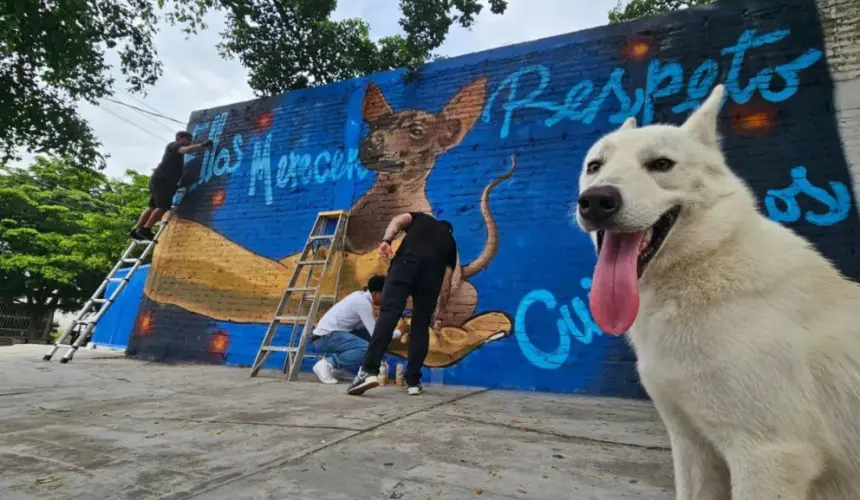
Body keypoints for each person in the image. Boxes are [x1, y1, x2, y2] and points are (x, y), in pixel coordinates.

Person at [347, 212, 456, 396]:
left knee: (389, 314)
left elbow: (398, 220)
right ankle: (413, 381)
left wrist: (387, 240)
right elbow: (447, 283)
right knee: (421, 326)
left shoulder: (422, 218)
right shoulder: (451, 243)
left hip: (407, 263)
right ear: (449, 230)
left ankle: (369, 371)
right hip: (432, 278)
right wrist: (440, 315)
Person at [311, 275, 403, 384]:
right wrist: (400, 332)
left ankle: (336, 369)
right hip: (325, 338)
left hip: (329, 336)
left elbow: (367, 328)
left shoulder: (359, 296)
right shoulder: (363, 303)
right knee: (366, 349)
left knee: (366, 337)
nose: (387, 299)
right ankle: (327, 364)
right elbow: (376, 334)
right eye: (385, 295)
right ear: (374, 294)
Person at [129, 131, 212, 241]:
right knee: (163, 207)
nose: (189, 142)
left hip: (158, 180)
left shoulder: (174, 148)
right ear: (179, 138)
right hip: (164, 182)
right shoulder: (175, 145)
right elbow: (186, 150)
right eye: (188, 139)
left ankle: (136, 230)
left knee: (152, 207)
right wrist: (203, 145)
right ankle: (146, 229)